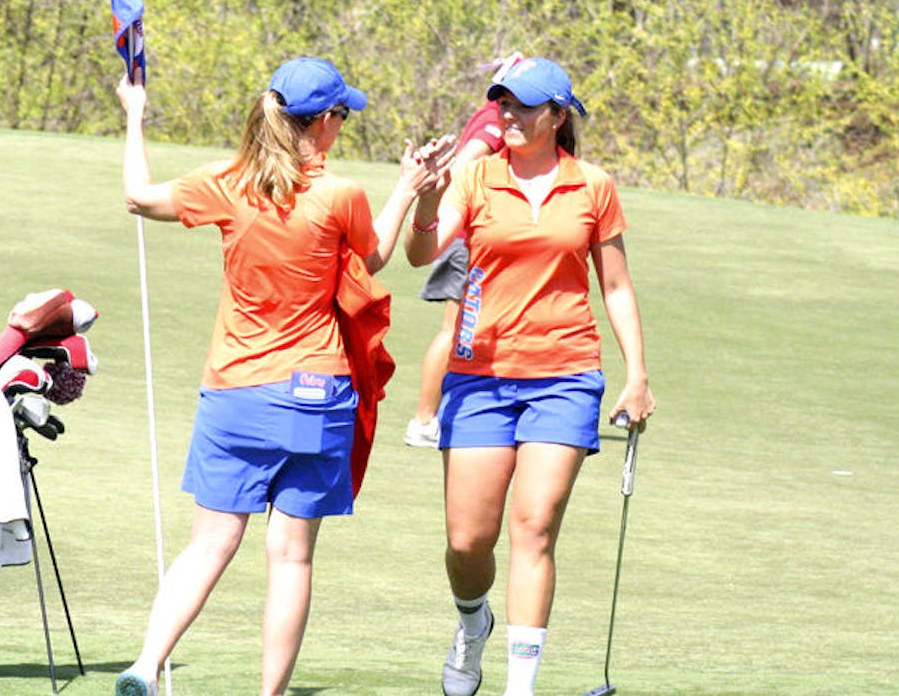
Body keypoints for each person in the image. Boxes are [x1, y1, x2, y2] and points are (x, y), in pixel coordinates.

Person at [113, 57, 449, 696]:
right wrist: (409, 184)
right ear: (322, 124)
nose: (342, 126)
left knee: (209, 544)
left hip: (235, 392)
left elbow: (138, 197)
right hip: (315, 396)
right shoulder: (338, 194)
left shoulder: (227, 182)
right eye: (342, 117)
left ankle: (146, 663)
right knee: (290, 555)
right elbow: (375, 255)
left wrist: (134, 115)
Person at [404, 57, 656, 696]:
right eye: (502, 105)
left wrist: (637, 375)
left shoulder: (592, 186)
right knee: (468, 542)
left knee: (534, 526)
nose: (507, 116)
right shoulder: (477, 177)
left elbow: (617, 287)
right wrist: (429, 199)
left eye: (521, 106)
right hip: (480, 378)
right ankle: (471, 622)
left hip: (565, 375)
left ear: (557, 116)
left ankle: (521, 687)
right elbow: (420, 254)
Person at [403, 97, 505, 448]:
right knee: (453, 330)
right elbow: (463, 165)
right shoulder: (495, 121)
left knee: (464, 328)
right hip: (466, 239)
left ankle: (435, 417)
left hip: (469, 236)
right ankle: (424, 421)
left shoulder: (490, 113)